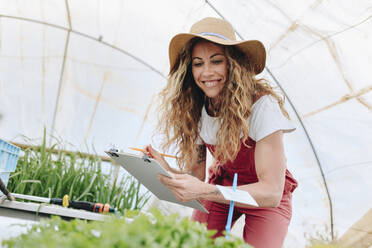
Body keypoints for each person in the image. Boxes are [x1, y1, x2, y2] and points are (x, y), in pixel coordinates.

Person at [145, 17, 298, 248]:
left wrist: (209, 190)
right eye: (198, 63)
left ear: (232, 63)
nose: (206, 72)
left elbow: (271, 191)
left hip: (264, 195)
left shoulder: (261, 106)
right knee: (196, 243)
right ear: (189, 69)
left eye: (216, 61)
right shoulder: (196, 108)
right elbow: (196, 181)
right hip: (224, 184)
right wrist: (167, 171)